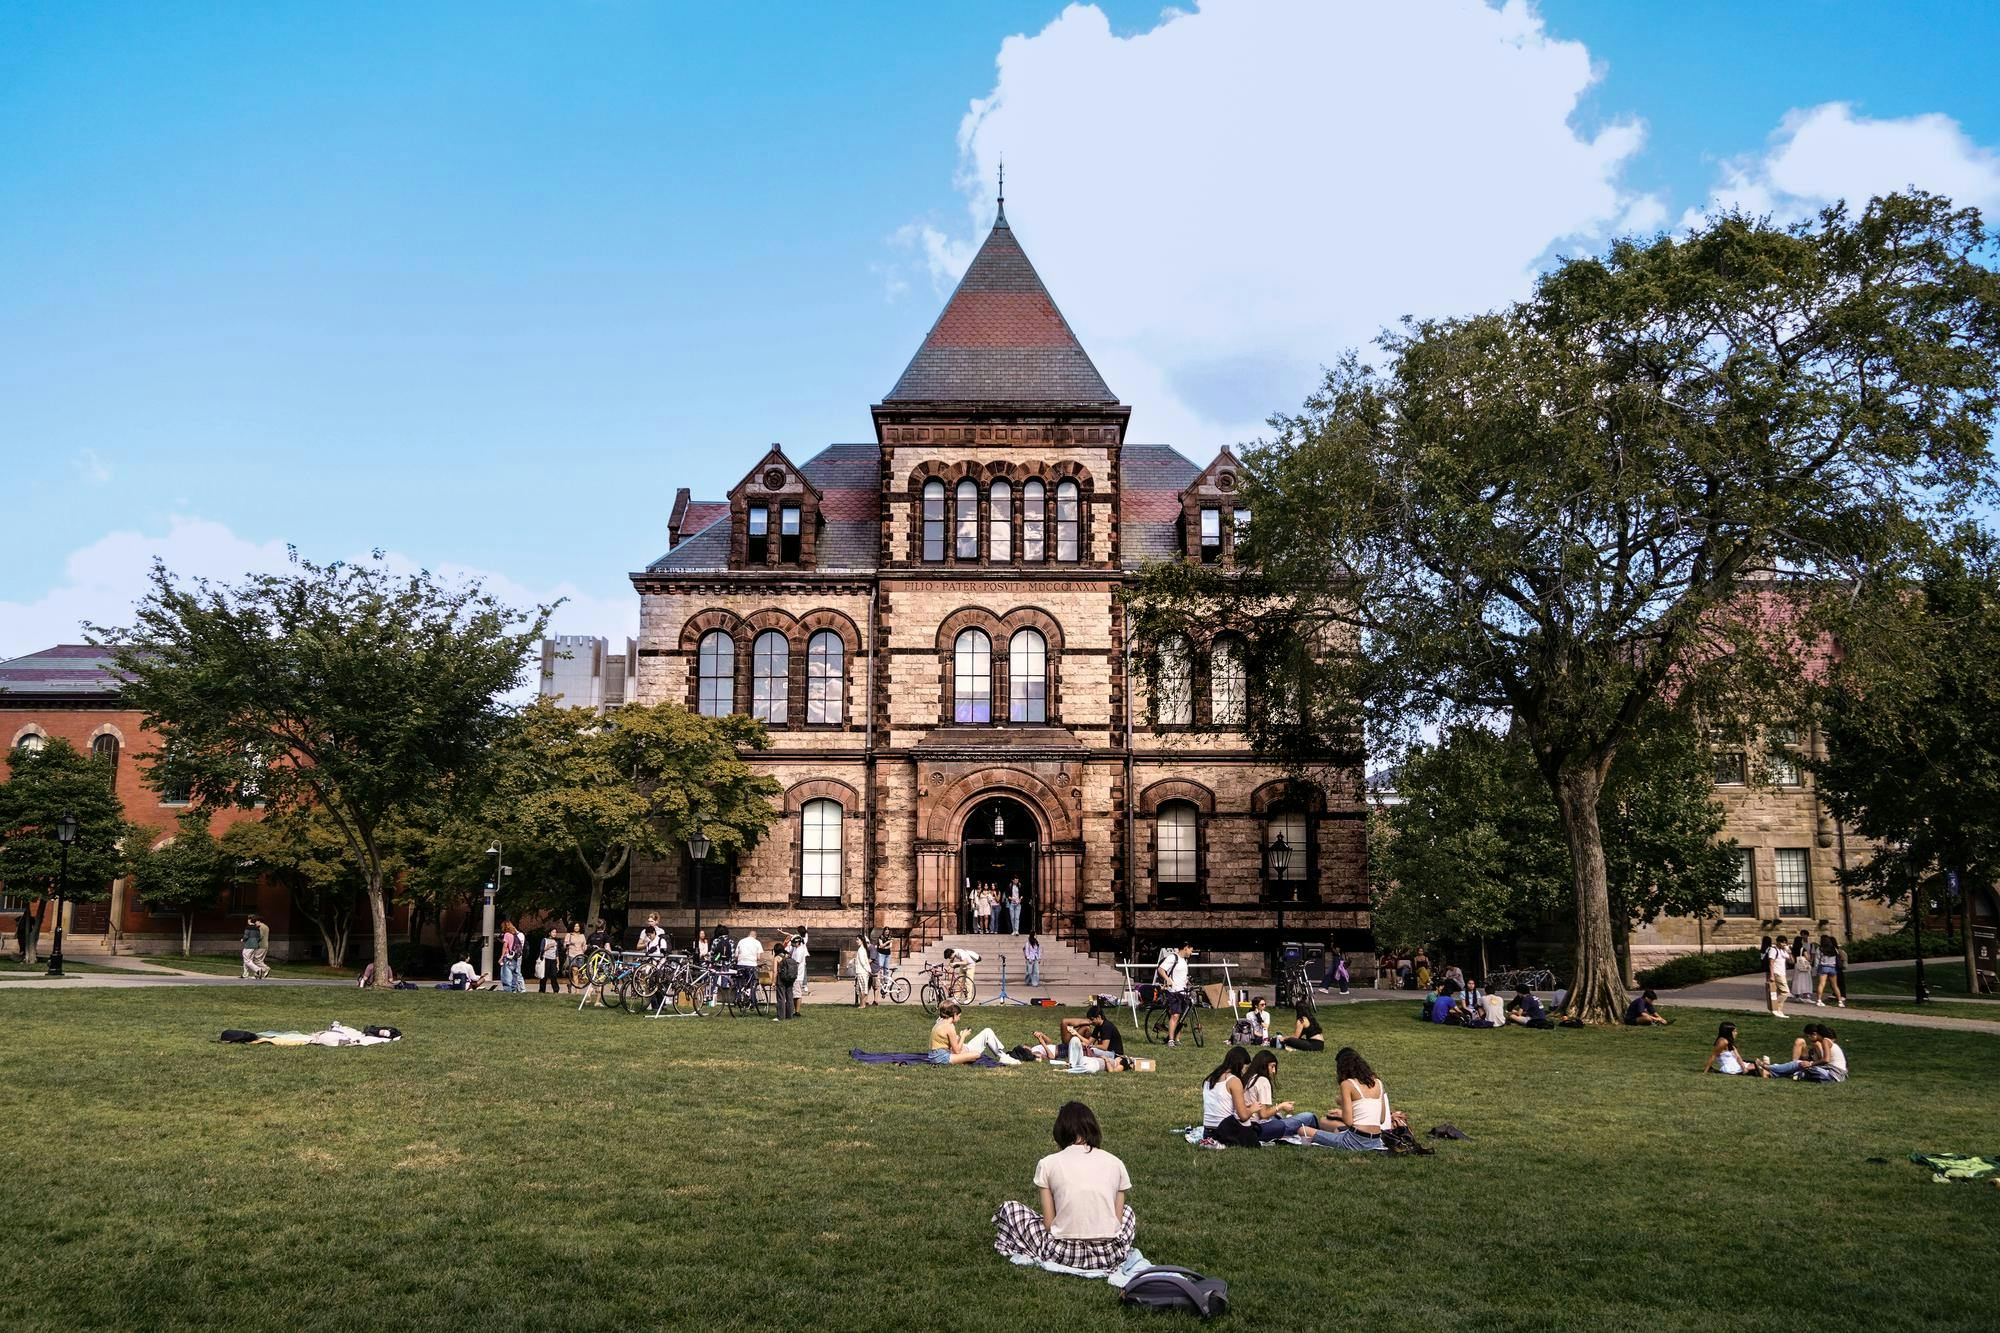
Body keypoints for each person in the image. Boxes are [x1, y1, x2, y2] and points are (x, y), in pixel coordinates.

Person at [992, 1101, 1137, 1270]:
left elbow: (1049, 1225)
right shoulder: (1116, 1163)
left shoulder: (1048, 1163)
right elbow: (1117, 1223)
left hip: (1063, 1254)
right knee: (1128, 1212)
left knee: (1010, 1208)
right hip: (1110, 1254)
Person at [1305, 1047, 1405, 1151]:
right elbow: (1381, 1119)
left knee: (1303, 1130)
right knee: (1334, 1129)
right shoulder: (1378, 1083)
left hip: (1354, 1141)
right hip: (1376, 1140)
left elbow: (1348, 1121)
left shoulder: (1347, 1084)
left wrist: (1343, 1106)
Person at [1200, 1046, 1303, 1146]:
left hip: (1207, 1132)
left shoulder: (1209, 1079)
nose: (1245, 1071)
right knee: (1279, 1125)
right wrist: (1252, 1109)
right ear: (1240, 1064)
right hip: (1226, 1133)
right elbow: (1243, 1116)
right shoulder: (1233, 1081)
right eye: (1245, 1067)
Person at [1240, 1050, 1323, 1141]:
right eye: (1272, 1066)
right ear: (1264, 1065)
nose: (1274, 1071)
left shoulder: (1247, 1078)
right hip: (1258, 1128)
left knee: (1277, 1117)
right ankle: (1320, 1134)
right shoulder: (1263, 1081)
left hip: (1245, 1126)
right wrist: (1281, 1106)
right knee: (1308, 1116)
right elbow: (1263, 1114)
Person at [929, 1001, 1021, 1064]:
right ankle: (1003, 1057)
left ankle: (1003, 1055)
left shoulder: (940, 1021)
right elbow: (957, 1051)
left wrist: (959, 1038)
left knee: (987, 1031)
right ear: (954, 1015)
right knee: (976, 1054)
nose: (959, 1018)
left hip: (938, 1054)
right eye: (959, 1016)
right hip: (941, 1058)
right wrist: (963, 1036)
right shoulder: (949, 1027)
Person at [1158, 943, 1194, 1047]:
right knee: (1175, 1015)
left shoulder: (1184, 961)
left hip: (1182, 991)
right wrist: (1168, 979)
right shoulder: (1173, 957)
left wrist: (1187, 982)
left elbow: (1181, 975)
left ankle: (1177, 1038)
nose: (1191, 952)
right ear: (1186, 948)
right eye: (1191, 950)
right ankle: (1170, 1040)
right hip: (1173, 990)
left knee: (1182, 1016)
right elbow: (1161, 969)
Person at [1061, 1005, 1126, 1063]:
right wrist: (1076, 1034)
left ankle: (1077, 1059)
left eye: (1092, 1019)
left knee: (1090, 1050)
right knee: (1085, 1047)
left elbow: (1104, 1047)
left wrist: (1091, 1046)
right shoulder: (1098, 1026)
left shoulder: (1106, 1026)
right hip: (1106, 1052)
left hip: (1114, 1054)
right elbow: (1089, 1042)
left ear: (1099, 1017)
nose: (1091, 1022)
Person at [1815, 935, 1846, 1008]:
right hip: (1832, 967)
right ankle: (1840, 1002)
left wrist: (1816, 969)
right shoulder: (1834, 949)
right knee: (1835, 985)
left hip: (1823, 967)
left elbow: (1817, 960)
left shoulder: (1820, 949)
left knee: (1822, 984)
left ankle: (1819, 1000)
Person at [1763, 935, 1789, 1018]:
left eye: (1785, 943)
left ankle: (1779, 1010)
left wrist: (1789, 951)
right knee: (1785, 992)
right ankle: (1775, 1008)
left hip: (1782, 973)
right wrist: (1771, 975)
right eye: (1782, 942)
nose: (1783, 944)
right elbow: (1771, 963)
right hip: (1777, 973)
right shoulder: (1773, 950)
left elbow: (1792, 961)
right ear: (1778, 942)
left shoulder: (1783, 951)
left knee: (1780, 992)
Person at [537, 929, 562, 993]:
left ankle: (556, 990)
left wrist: (558, 961)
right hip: (545, 959)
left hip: (553, 960)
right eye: (553, 932)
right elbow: (541, 949)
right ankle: (542, 990)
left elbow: (556, 952)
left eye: (555, 932)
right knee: (544, 976)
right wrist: (549, 946)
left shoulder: (555, 941)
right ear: (549, 933)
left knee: (554, 975)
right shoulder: (544, 940)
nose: (554, 933)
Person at [852, 942, 874, 1007]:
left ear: (862, 941)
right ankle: (862, 1004)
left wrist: (868, 970)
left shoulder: (861, 950)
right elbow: (866, 961)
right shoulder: (862, 949)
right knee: (860, 989)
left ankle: (862, 1005)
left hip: (862, 972)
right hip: (862, 972)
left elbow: (863, 962)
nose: (856, 941)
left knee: (862, 989)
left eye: (858, 940)